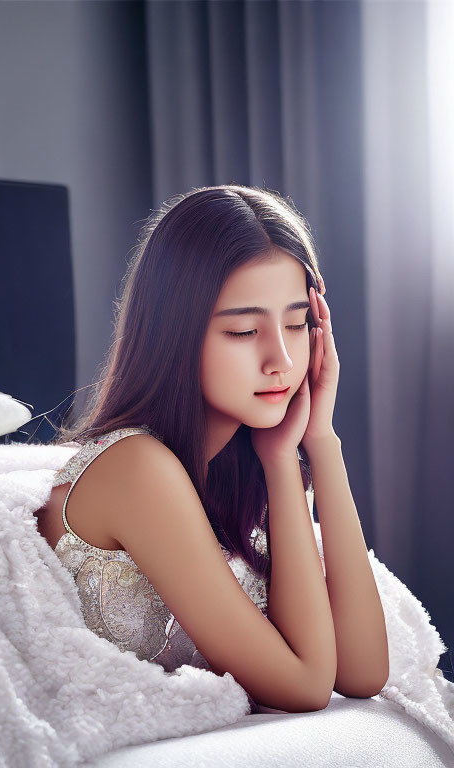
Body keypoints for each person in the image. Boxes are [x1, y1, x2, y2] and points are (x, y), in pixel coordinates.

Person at [35, 184, 389, 714]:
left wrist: (319, 442)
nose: (282, 360)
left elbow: (362, 671)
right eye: (244, 331)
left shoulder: (246, 463)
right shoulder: (136, 467)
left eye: (296, 325)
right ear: (174, 334)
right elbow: (307, 687)